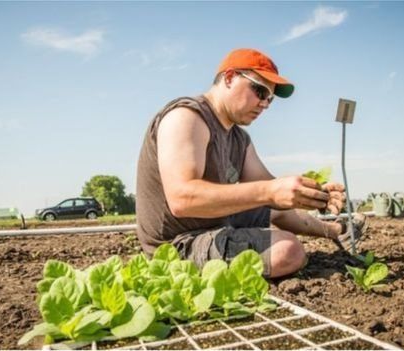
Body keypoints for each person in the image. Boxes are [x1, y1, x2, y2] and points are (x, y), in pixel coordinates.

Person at [136, 48, 364, 278]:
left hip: (214, 225)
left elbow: (273, 195)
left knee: (273, 209)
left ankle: (337, 231)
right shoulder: (187, 117)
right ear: (229, 77)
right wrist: (270, 192)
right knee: (288, 251)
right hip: (175, 247)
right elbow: (182, 199)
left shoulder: (239, 139)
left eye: (270, 99)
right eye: (260, 91)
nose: (265, 103)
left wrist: (311, 194)